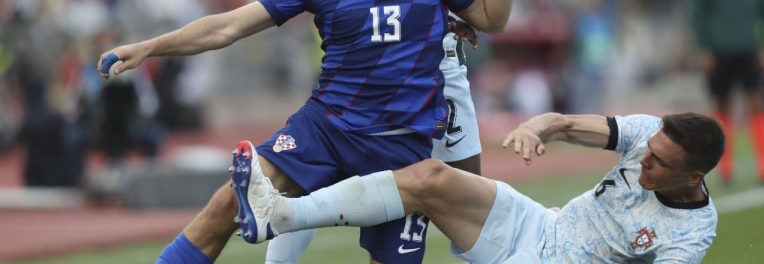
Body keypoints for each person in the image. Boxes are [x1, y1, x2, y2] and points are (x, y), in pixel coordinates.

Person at [98, 0, 524, 264]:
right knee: (230, 200)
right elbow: (227, 27)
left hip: (401, 146)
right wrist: (150, 47)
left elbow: (492, 18)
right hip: (326, 128)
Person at [247, 0, 494, 258]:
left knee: (466, 200)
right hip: (367, 67)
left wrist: (468, 7)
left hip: (434, 66)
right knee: (314, 174)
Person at [235, 111, 725, 263]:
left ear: (694, 177)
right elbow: (565, 123)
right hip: (540, 223)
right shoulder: (648, 134)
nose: (645, 163)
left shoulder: (690, 235)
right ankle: (280, 215)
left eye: (660, 164)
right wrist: (536, 129)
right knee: (429, 177)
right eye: (649, 151)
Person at [689, 0, 764, 183]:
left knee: (757, 103)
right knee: (722, 106)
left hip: (748, 48)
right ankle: (725, 167)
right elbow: (698, 11)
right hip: (720, 50)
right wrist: (704, 47)